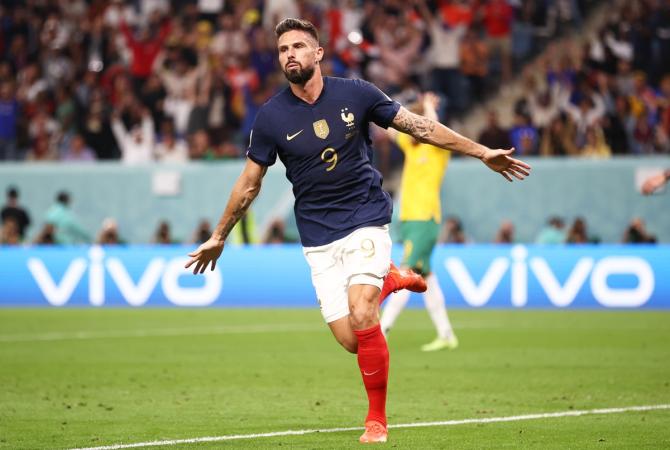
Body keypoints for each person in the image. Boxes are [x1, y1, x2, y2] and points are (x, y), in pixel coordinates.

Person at [185, 18, 531, 444]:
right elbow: (249, 183)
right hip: (317, 238)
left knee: (364, 312)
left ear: (318, 53)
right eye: (282, 49)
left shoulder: (357, 93)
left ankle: (376, 420)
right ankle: (389, 278)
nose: (289, 54)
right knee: (352, 338)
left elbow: (421, 127)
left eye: (298, 46)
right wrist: (220, 234)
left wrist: (481, 152)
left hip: (366, 218)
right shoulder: (271, 116)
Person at [379, 92, 458, 352]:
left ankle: (382, 329)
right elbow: (392, 125)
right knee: (427, 276)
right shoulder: (411, 147)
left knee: (405, 273)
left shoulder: (438, 149)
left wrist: (426, 107)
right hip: (409, 217)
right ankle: (446, 334)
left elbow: (432, 129)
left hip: (425, 218)